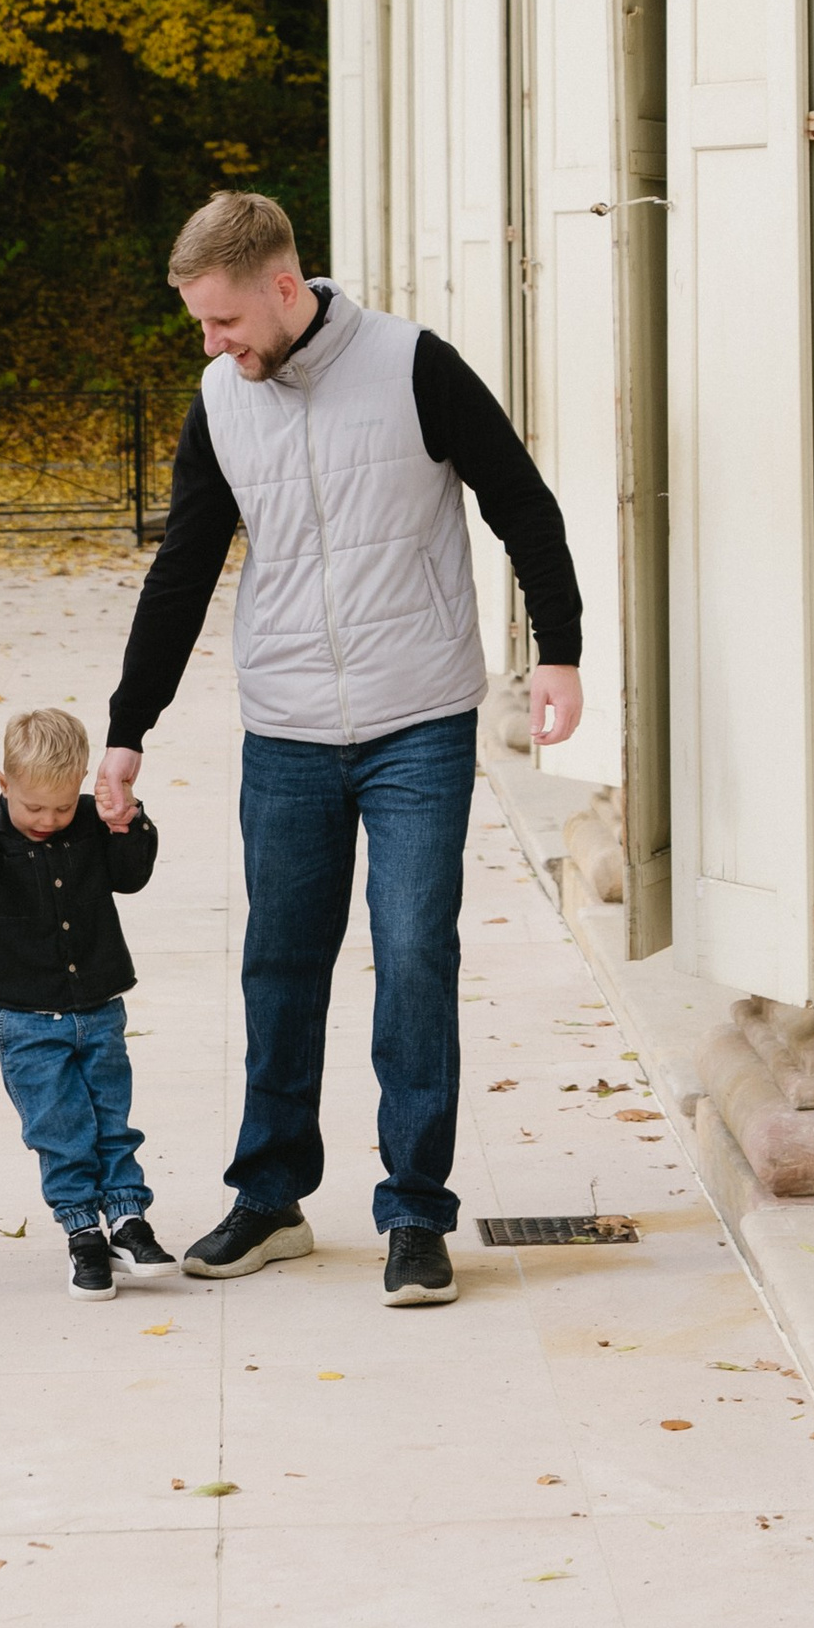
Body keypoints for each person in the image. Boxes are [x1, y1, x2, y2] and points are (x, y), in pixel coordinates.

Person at [95, 191, 584, 1310]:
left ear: (282, 284)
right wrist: (129, 726)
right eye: (197, 328)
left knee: (414, 953)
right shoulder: (223, 398)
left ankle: (415, 1209)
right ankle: (269, 1197)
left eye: (220, 321)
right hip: (287, 729)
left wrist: (557, 647)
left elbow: (520, 502)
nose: (209, 346)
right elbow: (181, 568)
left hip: (418, 716)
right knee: (280, 960)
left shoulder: (416, 366)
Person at [0, 703, 175, 1299]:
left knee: (111, 1118)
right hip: (23, 1016)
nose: (49, 819)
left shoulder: (90, 821)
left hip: (99, 1006)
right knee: (60, 1127)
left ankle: (128, 1218)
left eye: (62, 806)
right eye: (34, 806)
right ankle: (83, 1230)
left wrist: (126, 822)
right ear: (4, 783)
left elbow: (131, 875)